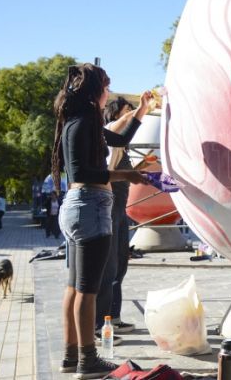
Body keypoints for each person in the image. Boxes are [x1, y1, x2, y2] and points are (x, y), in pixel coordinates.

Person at [51, 63, 151, 378]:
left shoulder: (78, 121)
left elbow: (118, 141)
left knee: (74, 288)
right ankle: (87, 361)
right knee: (87, 291)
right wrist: (127, 174)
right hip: (91, 208)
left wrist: (142, 111)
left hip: (77, 209)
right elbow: (82, 174)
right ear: (96, 91)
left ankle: (70, 356)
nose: (109, 92)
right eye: (106, 86)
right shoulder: (85, 123)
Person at [95, 96, 150, 340]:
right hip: (110, 206)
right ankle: (101, 323)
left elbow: (124, 172)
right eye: (128, 112)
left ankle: (112, 318)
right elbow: (113, 127)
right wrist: (141, 109)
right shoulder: (106, 133)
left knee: (119, 263)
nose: (134, 116)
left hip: (120, 209)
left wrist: (143, 165)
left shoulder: (120, 146)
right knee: (109, 266)